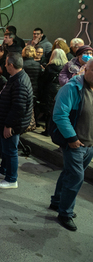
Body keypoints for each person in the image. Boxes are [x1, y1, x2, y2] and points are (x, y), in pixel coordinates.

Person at [49, 60, 93, 231]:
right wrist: (72, 138)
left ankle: (57, 202)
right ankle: (65, 213)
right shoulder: (72, 88)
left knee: (69, 173)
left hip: (89, 143)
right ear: (85, 69)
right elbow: (60, 115)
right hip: (75, 142)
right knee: (76, 177)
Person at [0, 53, 33, 189]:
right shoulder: (15, 78)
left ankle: (11, 179)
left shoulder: (20, 82)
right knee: (4, 148)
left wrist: (9, 125)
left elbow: (18, 108)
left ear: (11, 65)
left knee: (10, 150)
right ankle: (3, 171)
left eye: (6, 64)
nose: (5, 66)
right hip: (5, 121)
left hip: (11, 124)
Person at [38, 49, 67, 135]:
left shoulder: (49, 67)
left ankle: (47, 130)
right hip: (62, 89)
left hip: (50, 89)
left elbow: (44, 80)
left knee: (49, 110)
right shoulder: (66, 67)